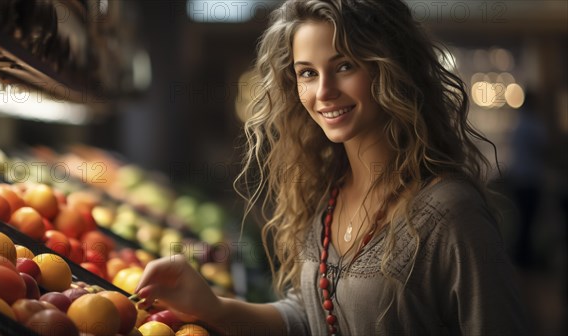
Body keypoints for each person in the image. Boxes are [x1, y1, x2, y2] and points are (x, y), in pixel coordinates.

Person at [135, 1, 528, 335]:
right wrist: (213, 308)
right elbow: (311, 316)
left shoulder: (450, 213)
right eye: (307, 72)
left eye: (343, 66)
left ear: (388, 67)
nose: (323, 92)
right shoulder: (327, 193)